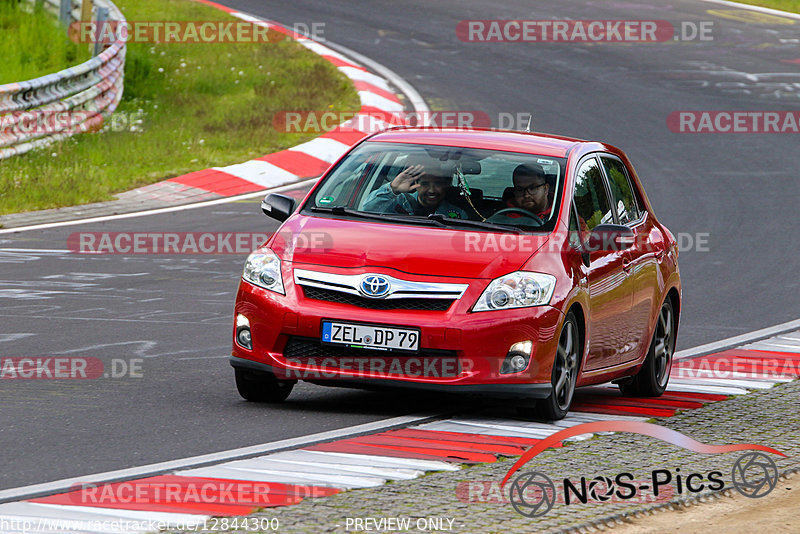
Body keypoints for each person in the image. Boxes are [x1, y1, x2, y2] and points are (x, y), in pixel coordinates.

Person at [362, 159, 468, 219]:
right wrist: (392, 189)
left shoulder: (457, 214)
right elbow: (367, 209)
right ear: (416, 183)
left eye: (438, 184)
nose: (431, 190)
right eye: (425, 184)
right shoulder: (397, 201)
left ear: (446, 185)